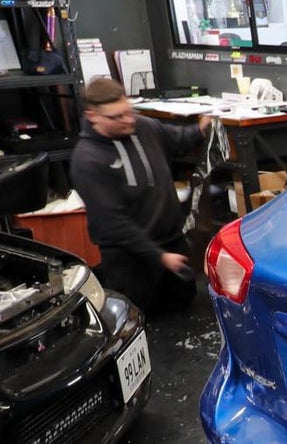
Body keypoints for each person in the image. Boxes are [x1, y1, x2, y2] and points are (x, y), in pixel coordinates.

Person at [72, 76, 213, 315]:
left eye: (129, 111)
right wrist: (159, 256)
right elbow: (113, 224)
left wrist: (201, 128)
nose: (129, 120)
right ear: (93, 116)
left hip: (172, 247)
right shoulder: (87, 160)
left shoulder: (143, 126)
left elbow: (177, 138)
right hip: (131, 262)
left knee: (186, 315)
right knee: (143, 323)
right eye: (117, 116)